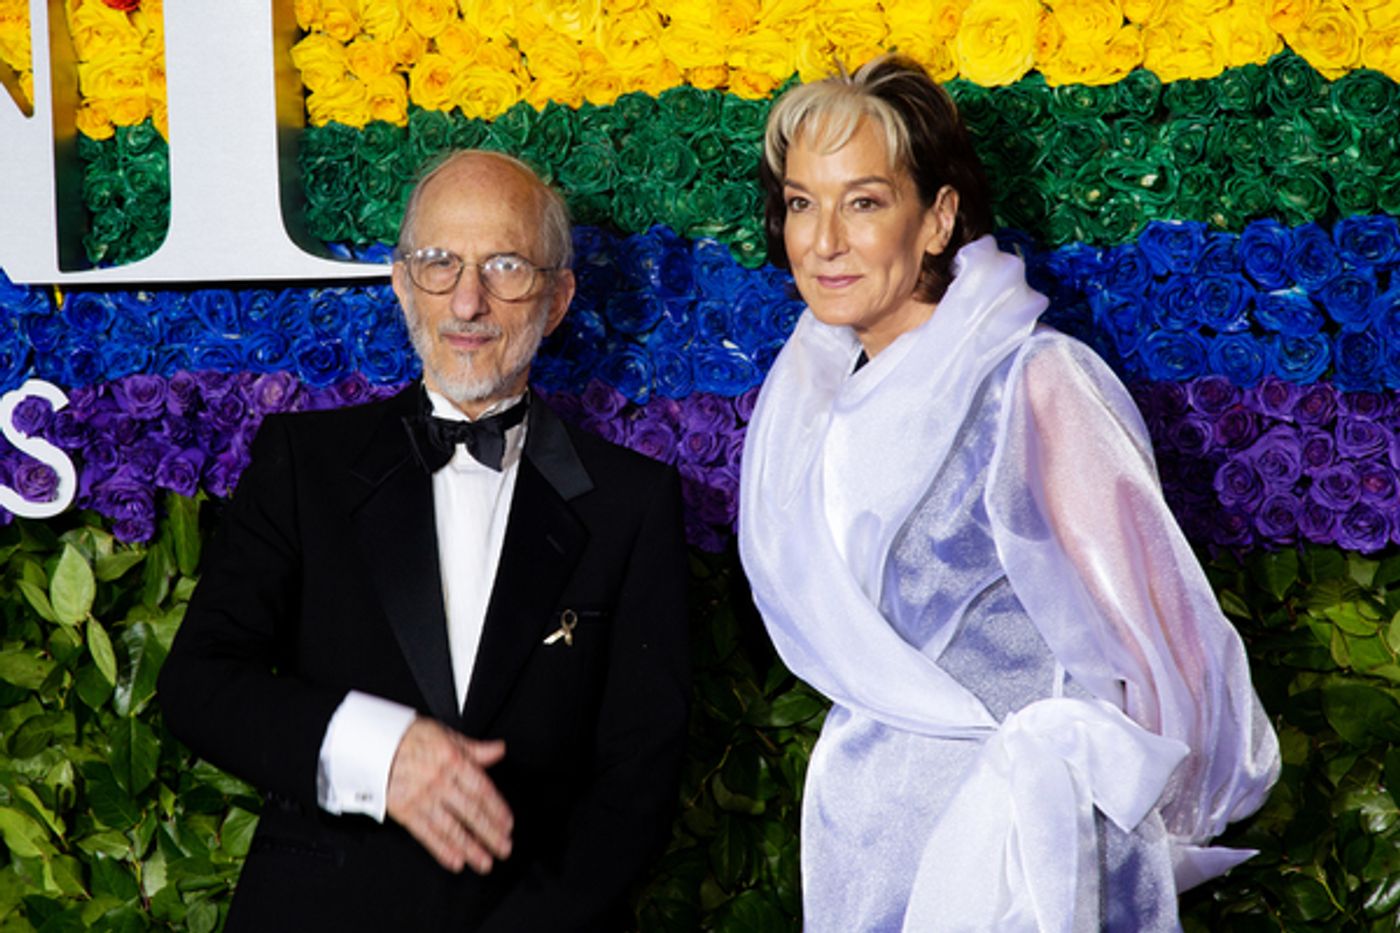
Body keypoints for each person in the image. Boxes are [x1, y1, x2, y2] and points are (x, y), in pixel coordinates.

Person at [738, 56, 1280, 931]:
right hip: (862, 837)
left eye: (864, 201)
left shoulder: (1036, 380)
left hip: (1029, 856)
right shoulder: (802, 409)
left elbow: (1167, 635)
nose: (823, 239)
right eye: (802, 201)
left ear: (939, 217)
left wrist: (1145, 818)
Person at [158, 150, 690, 931]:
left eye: (505, 265)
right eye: (439, 263)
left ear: (557, 296)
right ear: (403, 281)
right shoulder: (304, 466)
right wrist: (381, 754)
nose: (467, 300)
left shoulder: (633, 504)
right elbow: (199, 686)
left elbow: (637, 783)